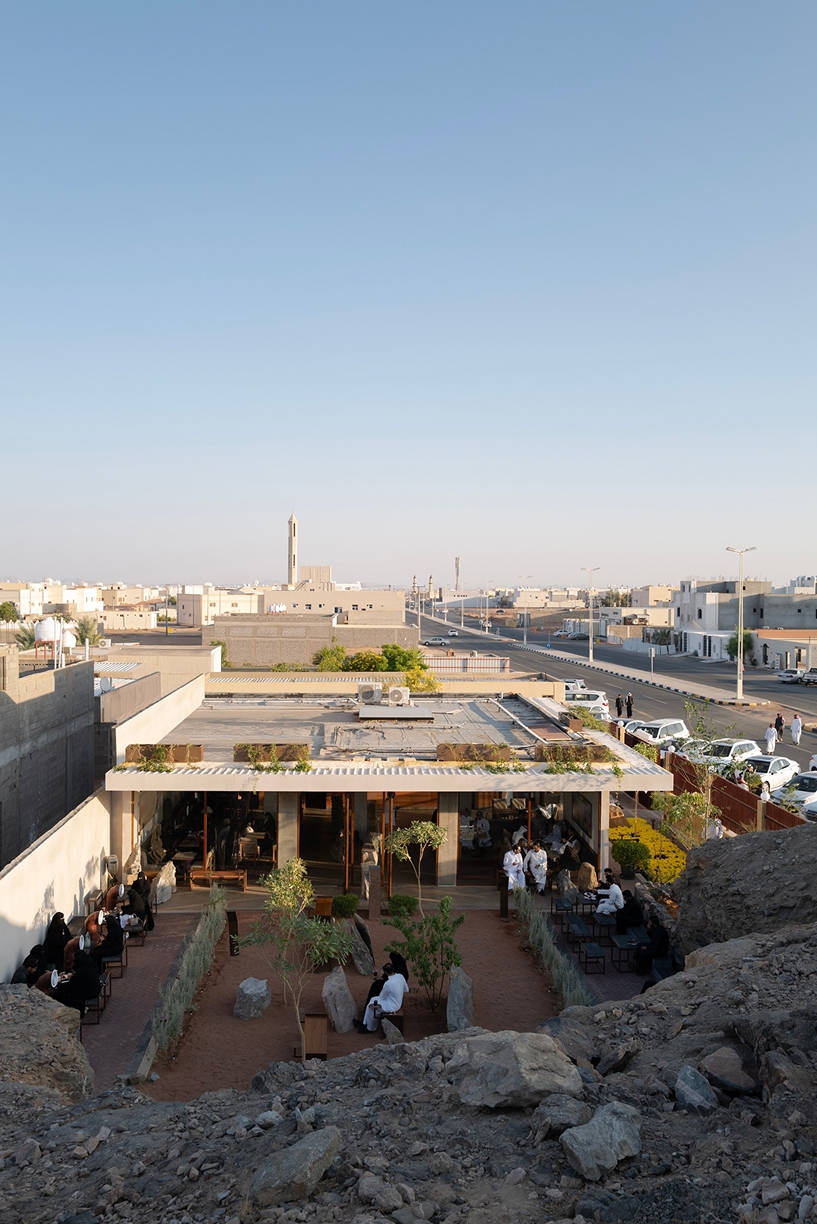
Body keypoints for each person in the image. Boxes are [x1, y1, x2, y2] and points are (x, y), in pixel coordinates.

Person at [355, 964, 410, 1033]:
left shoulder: (388, 983)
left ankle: (370, 1029)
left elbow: (382, 997)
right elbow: (406, 990)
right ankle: (364, 1023)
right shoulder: (400, 976)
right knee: (372, 999)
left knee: (371, 1007)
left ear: (385, 972)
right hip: (397, 1001)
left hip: (392, 1006)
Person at [53, 950, 102, 1018]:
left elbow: (72, 985)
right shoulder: (88, 965)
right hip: (96, 988)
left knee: (70, 995)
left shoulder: (81, 973)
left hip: (90, 992)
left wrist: (59, 986)